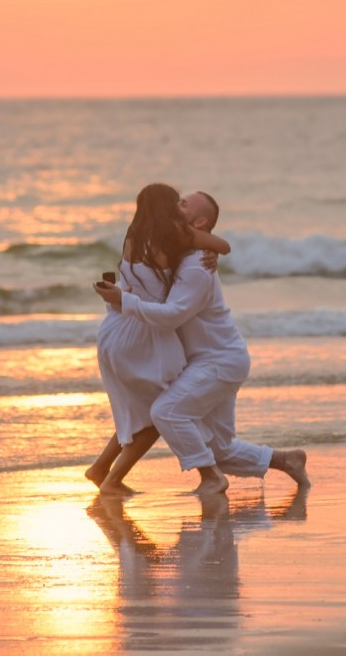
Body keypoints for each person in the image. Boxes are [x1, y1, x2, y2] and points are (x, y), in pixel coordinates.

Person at [95, 190, 310, 495]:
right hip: (204, 361)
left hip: (218, 360)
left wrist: (125, 301)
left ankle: (209, 479)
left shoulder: (197, 264)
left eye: (183, 204)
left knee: (165, 412)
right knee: (219, 450)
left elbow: (173, 315)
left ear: (199, 222)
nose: (175, 205)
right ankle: (287, 460)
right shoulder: (180, 249)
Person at [86, 183, 230, 496]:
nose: (180, 207)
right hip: (144, 333)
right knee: (159, 413)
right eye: (177, 203)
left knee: (143, 409)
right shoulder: (177, 236)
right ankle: (114, 482)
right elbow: (223, 244)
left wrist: (208, 254)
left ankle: (100, 469)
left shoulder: (133, 236)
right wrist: (211, 252)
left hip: (114, 329)